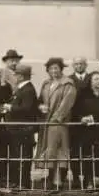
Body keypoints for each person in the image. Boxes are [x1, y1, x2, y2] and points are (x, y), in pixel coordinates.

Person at [35, 57, 77, 189]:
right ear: (47, 70)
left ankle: (58, 179)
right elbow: (40, 100)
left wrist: (57, 118)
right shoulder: (46, 83)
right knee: (50, 150)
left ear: (61, 69)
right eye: (51, 68)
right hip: (46, 122)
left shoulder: (68, 83)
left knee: (59, 148)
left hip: (58, 122)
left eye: (56, 68)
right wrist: (41, 107)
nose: (54, 71)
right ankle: (51, 176)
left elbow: (67, 102)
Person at [2, 64, 39, 189]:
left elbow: (27, 108)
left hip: (22, 130)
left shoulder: (28, 89)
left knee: (22, 156)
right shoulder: (22, 88)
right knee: (18, 155)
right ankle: (19, 181)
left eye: (16, 75)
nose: (14, 77)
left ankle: (23, 183)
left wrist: (10, 107)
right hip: (18, 129)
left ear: (21, 76)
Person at [69, 56, 91, 187]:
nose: (79, 66)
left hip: (89, 120)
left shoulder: (91, 78)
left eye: (81, 64)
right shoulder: (70, 79)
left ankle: (88, 178)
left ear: (86, 65)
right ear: (73, 66)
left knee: (89, 151)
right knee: (75, 151)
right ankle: (76, 178)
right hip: (75, 120)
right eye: (76, 64)